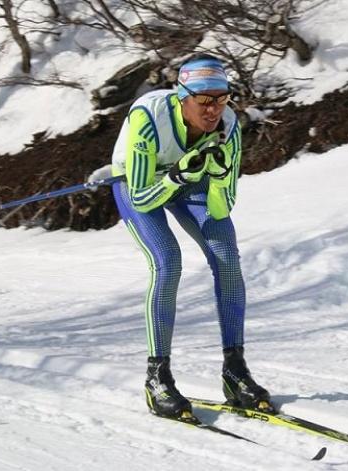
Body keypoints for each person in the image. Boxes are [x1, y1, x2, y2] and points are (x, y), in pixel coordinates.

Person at [110, 54, 273, 420]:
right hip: (140, 182)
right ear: (182, 96)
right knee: (168, 263)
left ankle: (235, 370)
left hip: (189, 180)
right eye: (203, 100)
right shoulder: (148, 118)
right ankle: (157, 378)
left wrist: (217, 173)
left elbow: (223, 205)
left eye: (222, 97)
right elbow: (141, 196)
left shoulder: (228, 125)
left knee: (227, 258)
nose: (214, 108)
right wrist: (175, 177)